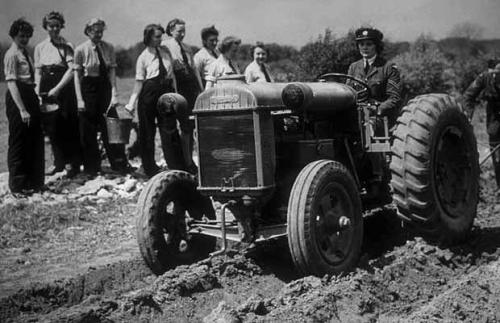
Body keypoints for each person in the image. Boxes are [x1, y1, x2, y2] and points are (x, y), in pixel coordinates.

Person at [348, 27, 402, 202]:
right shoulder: (353, 67)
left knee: (367, 128)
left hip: (378, 116)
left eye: (369, 44)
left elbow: (394, 98)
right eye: (361, 44)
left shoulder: (388, 68)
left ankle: (376, 179)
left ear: (376, 46)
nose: (364, 47)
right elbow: (348, 92)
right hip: (354, 113)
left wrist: (377, 109)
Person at [73, 18, 132, 177]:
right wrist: (79, 99)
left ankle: (118, 164)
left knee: (111, 127)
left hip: (104, 87)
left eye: (101, 31)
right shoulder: (80, 50)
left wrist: (114, 94)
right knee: (88, 130)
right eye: (94, 31)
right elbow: (76, 77)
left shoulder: (108, 48)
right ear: (88, 31)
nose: (98, 34)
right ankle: (91, 168)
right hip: (88, 89)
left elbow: (112, 72)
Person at [125, 24, 178, 178]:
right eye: (157, 36)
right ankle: (149, 168)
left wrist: (176, 94)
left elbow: (172, 75)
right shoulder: (143, 57)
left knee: (169, 129)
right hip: (149, 94)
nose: (160, 39)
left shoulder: (166, 52)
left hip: (166, 92)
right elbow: (139, 82)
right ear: (148, 37)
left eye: (161, 36)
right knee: (147, 132)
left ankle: (174, 165)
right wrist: (131, 103)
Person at [34, 11, 81, 178]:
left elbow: (71, 70)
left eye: (57, 26)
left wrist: (58, 89)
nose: (54, 29)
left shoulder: (66, 45)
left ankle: (72, 164)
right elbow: (38, 71)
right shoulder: (40, 47)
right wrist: (37, 92)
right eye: (50, 26)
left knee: (67, 124)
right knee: (51, 127)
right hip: (46, 87)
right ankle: (58, 162)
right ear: (45, 27)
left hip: (63, 87)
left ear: (61, 26)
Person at [4, 18, 44, 196]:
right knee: (19, 141)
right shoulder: (11, 54)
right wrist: (22, 109)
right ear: (14, 35)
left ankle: (33, 182)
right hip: (17, 96)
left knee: (34, 139)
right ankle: (17, 185)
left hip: (29, 93)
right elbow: (12, 83)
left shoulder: (25, 52)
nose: (24, 39)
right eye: (21, 36)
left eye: (27, 36)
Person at [463, 60, 500, 190]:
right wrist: (467, 117)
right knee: (497, 155)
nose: (496, 77)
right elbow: (468, 96)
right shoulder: (484, 78)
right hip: (494, 117)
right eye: (495, 74)